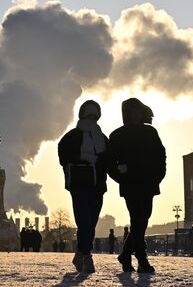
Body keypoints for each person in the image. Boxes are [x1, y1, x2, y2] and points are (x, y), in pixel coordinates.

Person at [109, 98, 166, 273]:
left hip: (148, 183)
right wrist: (121, 176)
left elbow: (161, 155)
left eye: (137, 112)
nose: (135, 115)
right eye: (132, 112)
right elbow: (110, 162)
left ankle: (126, 254)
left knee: (142, 220)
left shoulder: (150, 132)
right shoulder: (117, 135)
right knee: (138, 219)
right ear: (126, 114)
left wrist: (158, 176)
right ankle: (142, 259)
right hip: (131, 185)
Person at [58, 100, 111, 273]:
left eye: (94, 115)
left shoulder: (101, 138)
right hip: (79, 184)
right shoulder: (72, 136)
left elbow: (109, 160)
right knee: (84, 220)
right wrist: (83, 159)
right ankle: (87, 256)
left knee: (92, 221)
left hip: (97, 185)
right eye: (89, 115)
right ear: (82, 115)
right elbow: (63, 155)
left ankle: (80, 253)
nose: (92, 118)